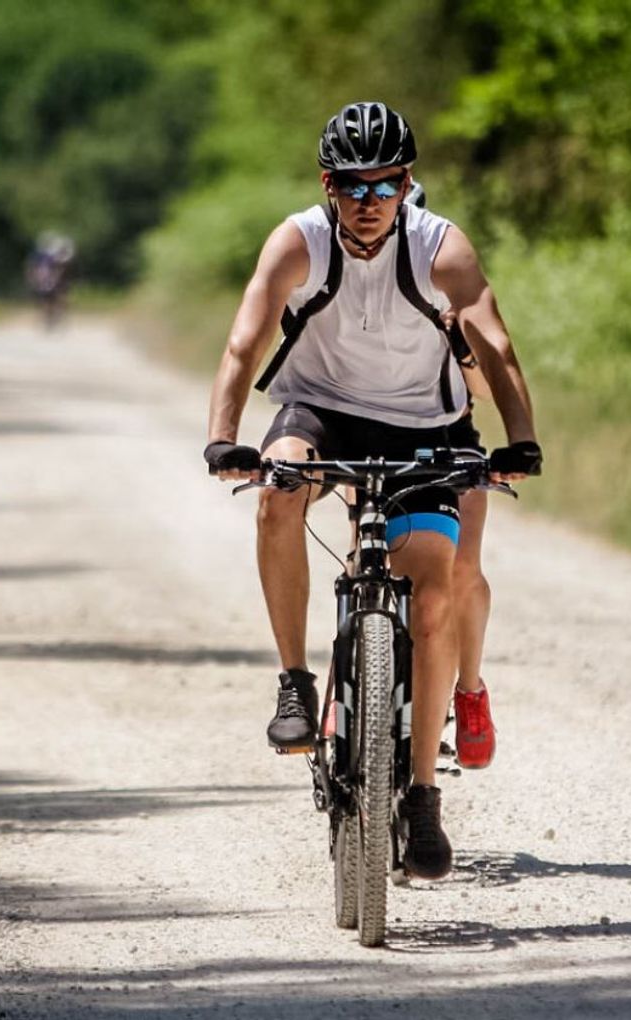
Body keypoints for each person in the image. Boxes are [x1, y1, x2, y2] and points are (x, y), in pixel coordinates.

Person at [204, 102, 541, 880]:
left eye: (384, 185)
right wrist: (224, 435)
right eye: (352, 186)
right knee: (278, 492)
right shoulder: (299, 241)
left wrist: (521, 438)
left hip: (426, 424)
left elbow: (494, 343)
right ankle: (296, 683)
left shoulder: (440, 247)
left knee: (433, 599)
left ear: (406, 183)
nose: (368, 200)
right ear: (328, 185)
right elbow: (245, 339)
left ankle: (422, 795)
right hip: (321, 410)